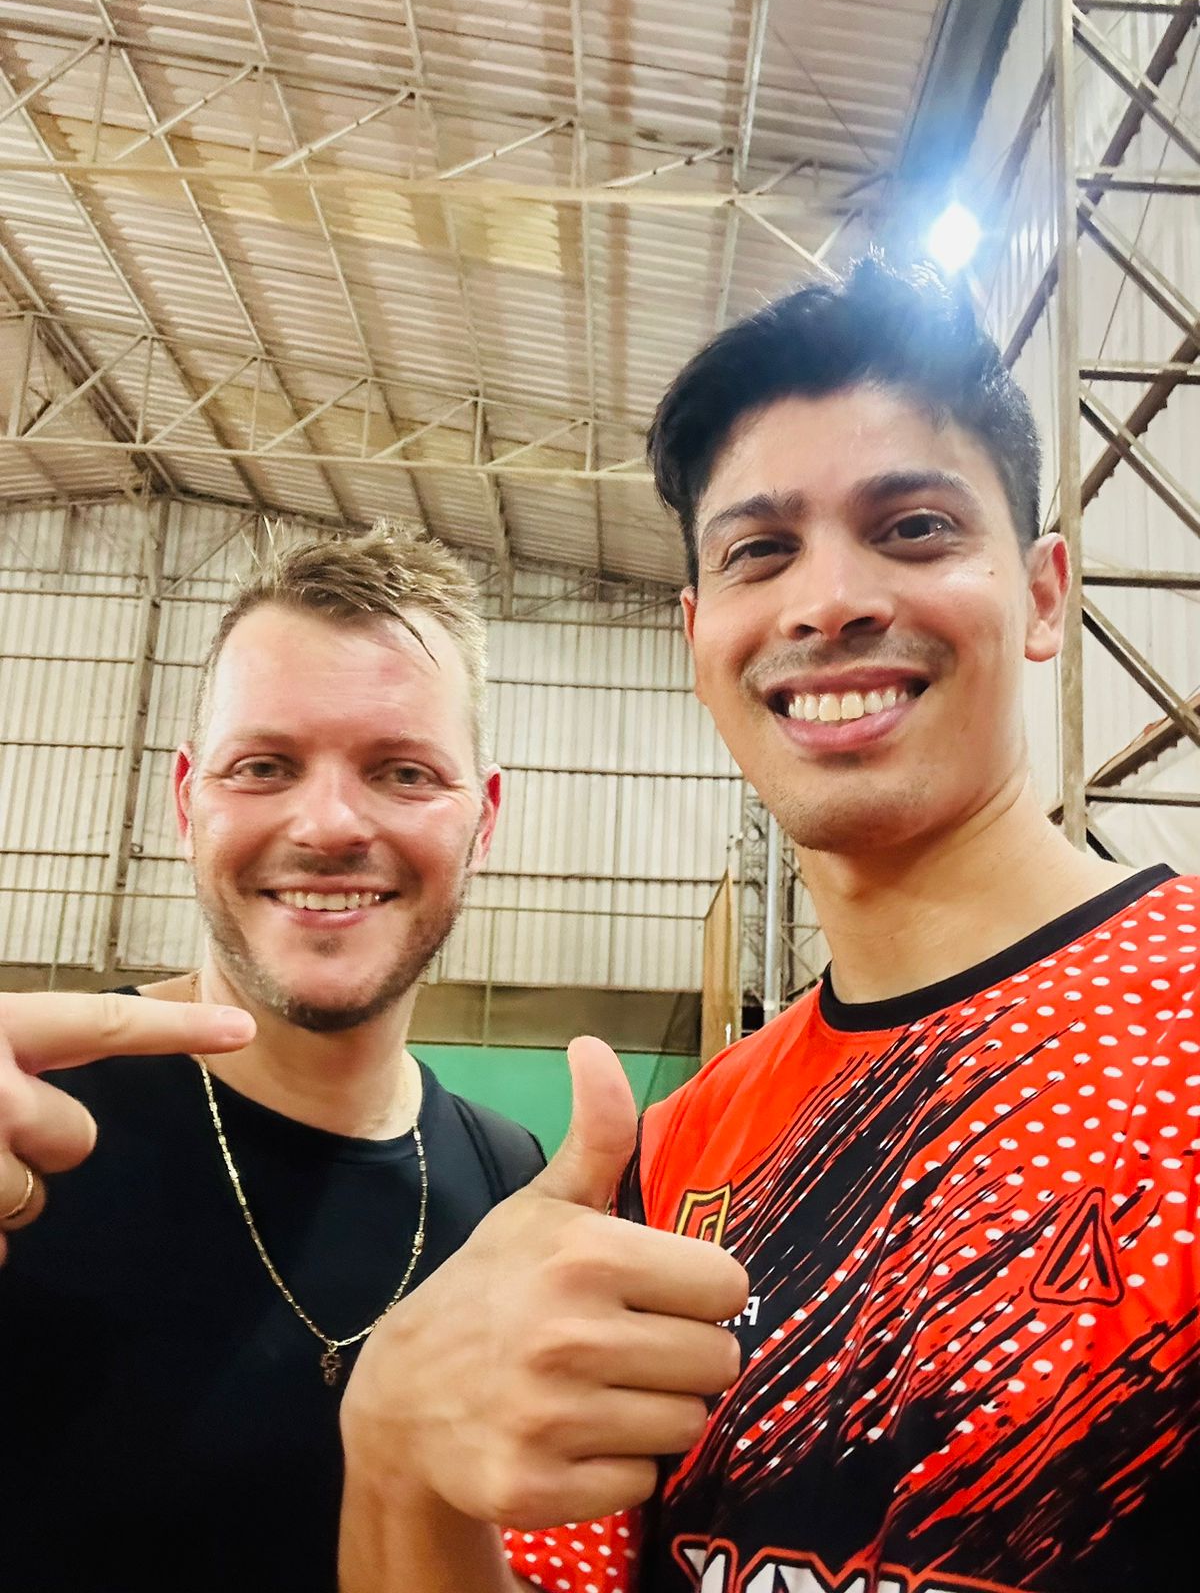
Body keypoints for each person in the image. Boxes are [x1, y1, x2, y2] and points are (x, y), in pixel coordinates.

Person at [336, 259, 1200, 1593]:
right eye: (761, 551)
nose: (826, 600)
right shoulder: (678, 1155)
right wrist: (397, 1452)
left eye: (914, 527)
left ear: (1041, 595)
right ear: (700, 638)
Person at [0, 525, 545, 1592]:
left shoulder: (512, 1185)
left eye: (402, 771)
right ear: (186, 802)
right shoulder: (29, 1122)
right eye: (264, 767)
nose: (330, 824)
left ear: (483, 821)